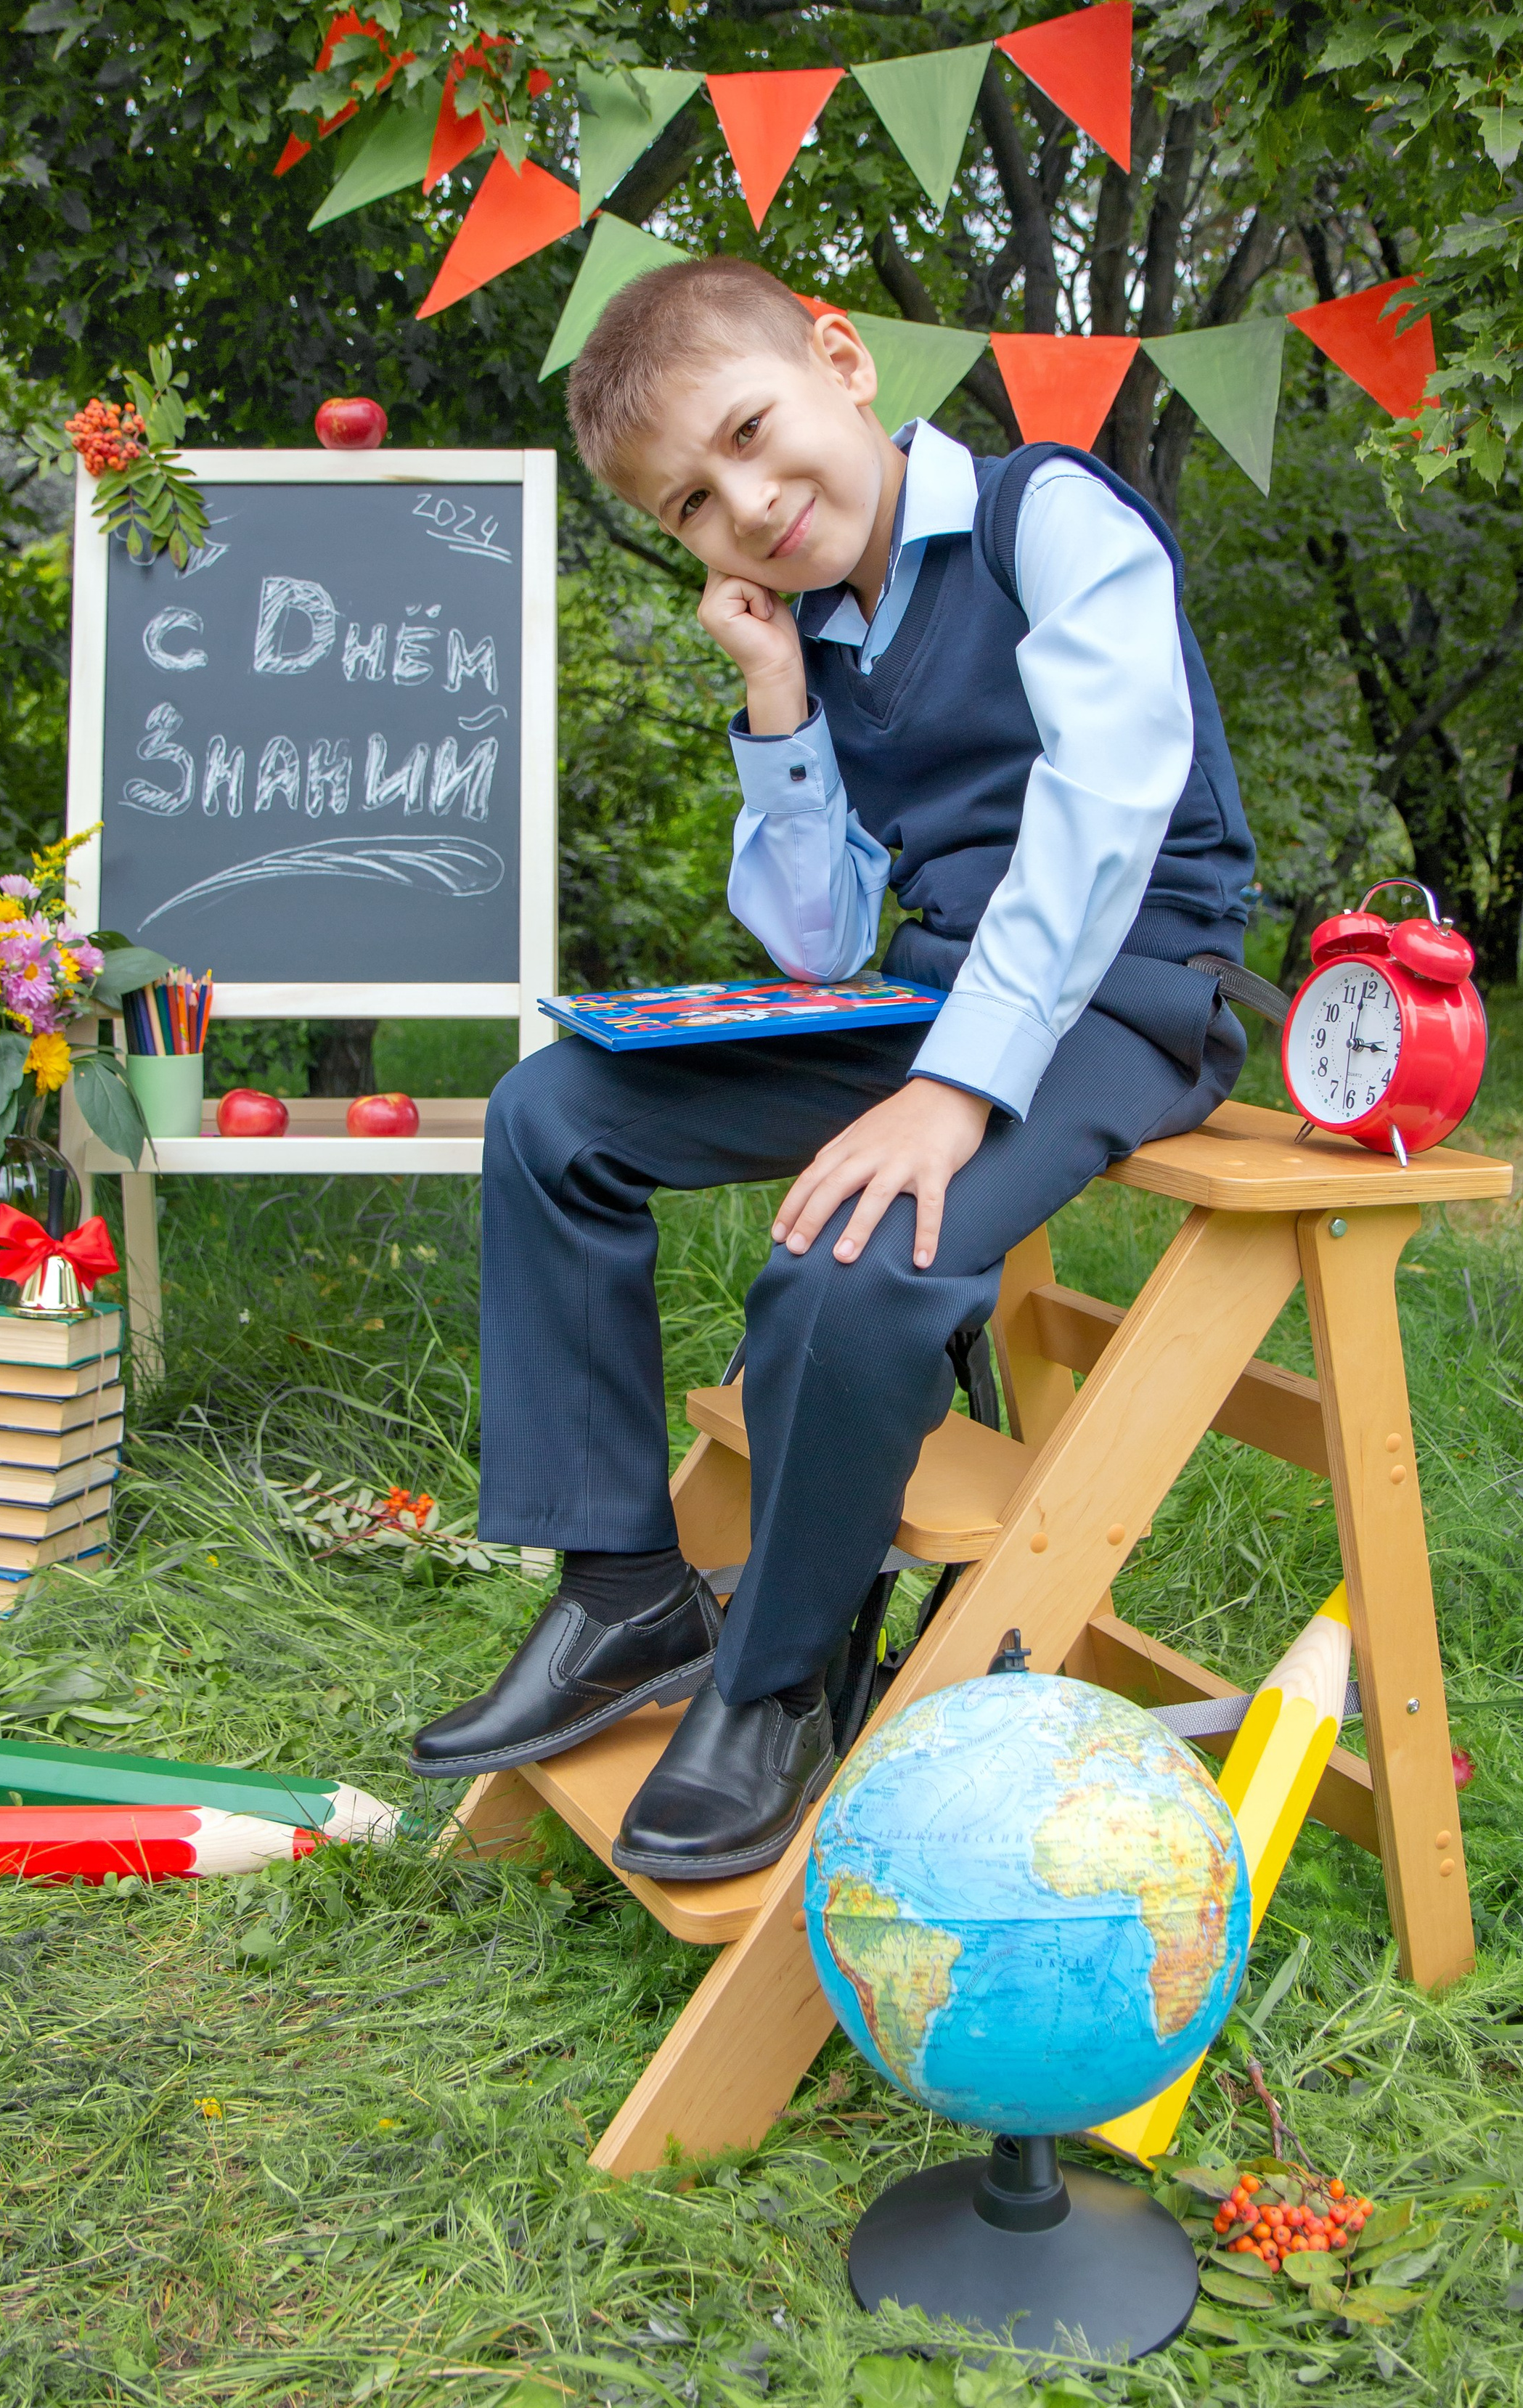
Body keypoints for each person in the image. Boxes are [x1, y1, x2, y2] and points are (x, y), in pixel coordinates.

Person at [409, 258, 1254, 1879]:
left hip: (1131, 983)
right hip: (936, 998)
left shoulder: (1047, 516)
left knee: (854, 1256)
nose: (744, 502)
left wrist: (953, 1089)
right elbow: (811, 942)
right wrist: (775, 692)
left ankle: (783, 1673)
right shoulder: (822, 628)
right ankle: (619, 1585)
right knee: (552, 1113)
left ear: (840, 361)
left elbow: (1101, 815)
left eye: (747, 430)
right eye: (690, 503)